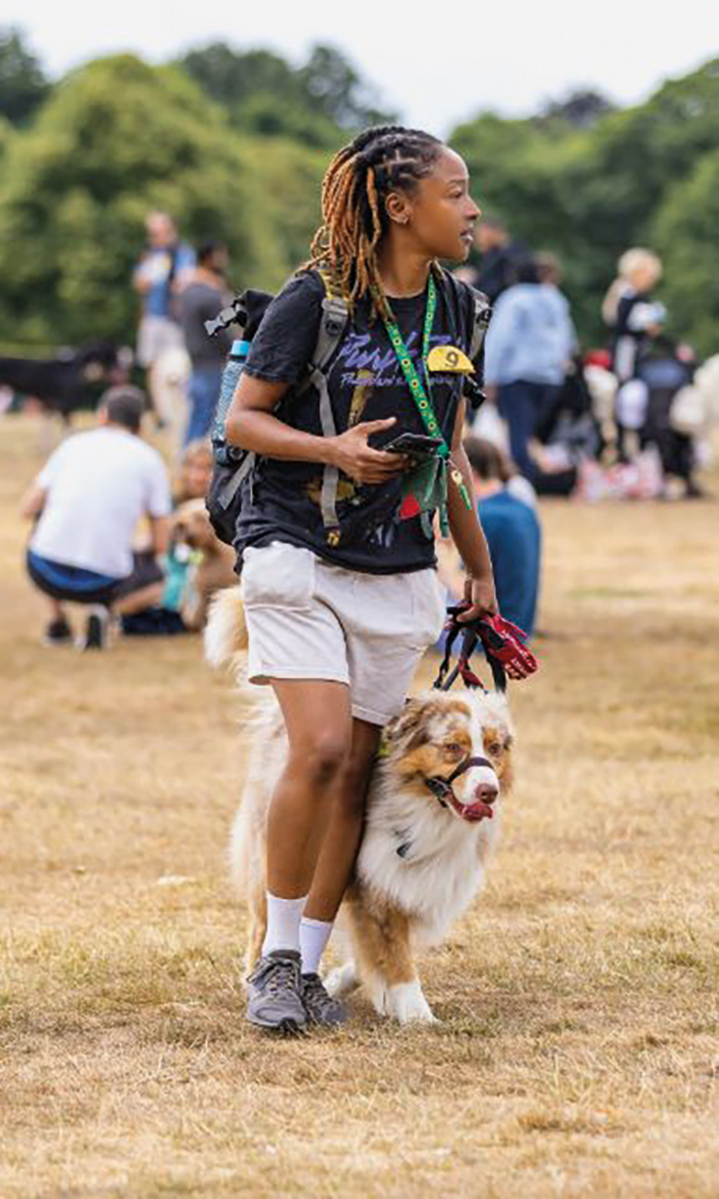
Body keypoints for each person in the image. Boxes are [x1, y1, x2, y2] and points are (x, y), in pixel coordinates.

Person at [224, 124, 498, 1032]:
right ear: (396, 204)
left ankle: (306, 965)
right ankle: (271, 963)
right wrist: (330, 447)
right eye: (455, 192)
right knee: (323, 748)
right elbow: (244, 422)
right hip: (293, 546)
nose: (471, 208)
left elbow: (450, 449)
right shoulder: (318, 298)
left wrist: (480, 567)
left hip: (395, 564)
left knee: (354, 778)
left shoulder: (461, 309)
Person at [20, 387, 171, 649]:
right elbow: (161, 543)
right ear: (139, 423)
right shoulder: (150, 460)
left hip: (45, 569)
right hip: (104, 582)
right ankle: (104, 610)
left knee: (42, 523)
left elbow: (28, 508)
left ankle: (57, 621)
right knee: (163, 575)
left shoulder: (73, 445)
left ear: (102, 415)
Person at [484, 258, 576, 480]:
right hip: (550, 376)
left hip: (518, 374)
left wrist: (488, 376)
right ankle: (537, 476)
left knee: (518, 430)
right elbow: (568, 338)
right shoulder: (555, 298)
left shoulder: (514, 298)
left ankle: (523, 479)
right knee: (534, 431)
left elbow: (500, 339)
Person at [463, 436, 541, 636]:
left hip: (486, 637)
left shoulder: (482, 518)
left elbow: (466, 591)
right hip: (520, 630)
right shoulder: (525, 510)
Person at [602, 248, 666, 462]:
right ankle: (622, 450)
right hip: (626, 356)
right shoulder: (626, 294)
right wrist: (644, 329)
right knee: (626, 398)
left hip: (637, 355)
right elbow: (619, 325)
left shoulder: (640, 297)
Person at [133, 211, 195, 425]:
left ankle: (178, 409)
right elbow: (140, 284)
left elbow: (184, 283)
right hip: (153, 317)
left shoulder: (182, 253)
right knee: (152, 365)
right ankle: (159, 413)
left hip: (173, 319)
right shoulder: (150, 254)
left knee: (176, 367)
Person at [179, 242, 233, 447]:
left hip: (196, 361)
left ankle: (185, 458)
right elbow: (218, 328)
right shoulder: (209, 294)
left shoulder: (187, 292)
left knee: (196, 417)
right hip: (212, 363)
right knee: (206, 419)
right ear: (210, 258)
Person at [472, 216, 529, 304]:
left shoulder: (513, 255)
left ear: (494, 232)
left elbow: (493, 288)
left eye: (481, 234)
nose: (477, 239)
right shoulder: (492, 254)